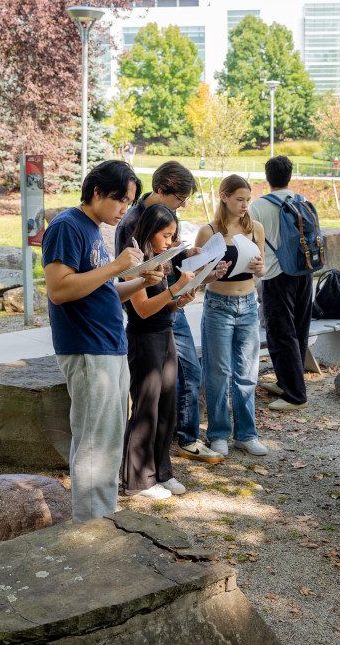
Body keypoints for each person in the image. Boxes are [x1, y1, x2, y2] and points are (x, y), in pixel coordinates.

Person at [42, 160, 162, 520]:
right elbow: (59, 289)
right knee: (96, 445)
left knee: (107, 444)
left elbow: (103, 291)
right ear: (97, 192)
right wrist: (116, 266)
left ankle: (101, 521)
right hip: (88, 349)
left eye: (128, 201)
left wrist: (142, 281)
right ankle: (92, 531)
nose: (125, 208)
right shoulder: (67, 226)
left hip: (108, 347)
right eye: (120, 200)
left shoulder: (94, 229)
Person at [114, 161, 223, 464]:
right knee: (152, 394)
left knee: (185, 375)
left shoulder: (167, 212)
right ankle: (148, 460)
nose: (182, 205)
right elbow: (134, 273)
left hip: (171, 300)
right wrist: (171, 290)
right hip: (149, 311)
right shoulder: (130, 222)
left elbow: (168, 256)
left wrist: (193, 258)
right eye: (179, 199)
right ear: (161, 190)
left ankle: (178, 443)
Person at [121, 205, 198, 500]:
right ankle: (137, 481)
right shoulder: (137, 258)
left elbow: (164, 305)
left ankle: (162, 471)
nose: (170, 242)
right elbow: (140, 309)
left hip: (165, 333)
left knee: (167, 405)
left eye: (173, 236)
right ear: (150, 231)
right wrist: (175, 287)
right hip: (143, 339)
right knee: (146, 407)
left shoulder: (160, 258)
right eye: (166, 235)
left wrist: (181, 298)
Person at [196, 175, 267, 458]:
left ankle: (247, 434)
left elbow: (262, 272)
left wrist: (260, 267)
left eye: (248, 200)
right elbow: (196, 277)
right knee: (217, 373)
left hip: (249, 304)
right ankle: (219, 434)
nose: (245, 205)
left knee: (247, 373)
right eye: (239, 199)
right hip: (218, 305)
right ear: (224, 196)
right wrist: (213, 273)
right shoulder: (208, 231)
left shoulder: (256, 228)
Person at [249, 156, 312, 412]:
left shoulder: (259, 206)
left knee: (280, 333)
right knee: (299, 329)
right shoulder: (302, 200)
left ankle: (295, 396)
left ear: (267, 177)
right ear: (290, 175)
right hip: (304, 271)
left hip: (276, 274)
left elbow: (251, 242)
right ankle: (287, 382)